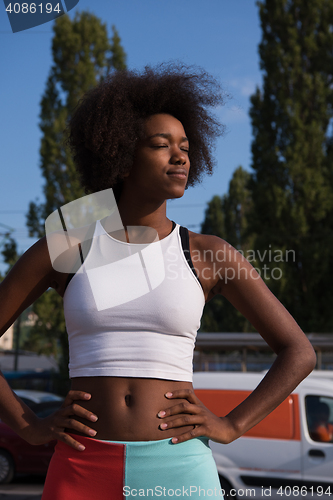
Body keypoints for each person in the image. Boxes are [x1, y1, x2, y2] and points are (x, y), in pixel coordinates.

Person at [0, 65, 316, 499]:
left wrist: (232, 424)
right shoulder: (65, 246)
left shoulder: (208, 253)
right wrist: (27, 425)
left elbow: (299, 352)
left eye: (185, 147)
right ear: (121, 156)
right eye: (161, 145)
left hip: (179, 466)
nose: (180, 157)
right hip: (81, 466)